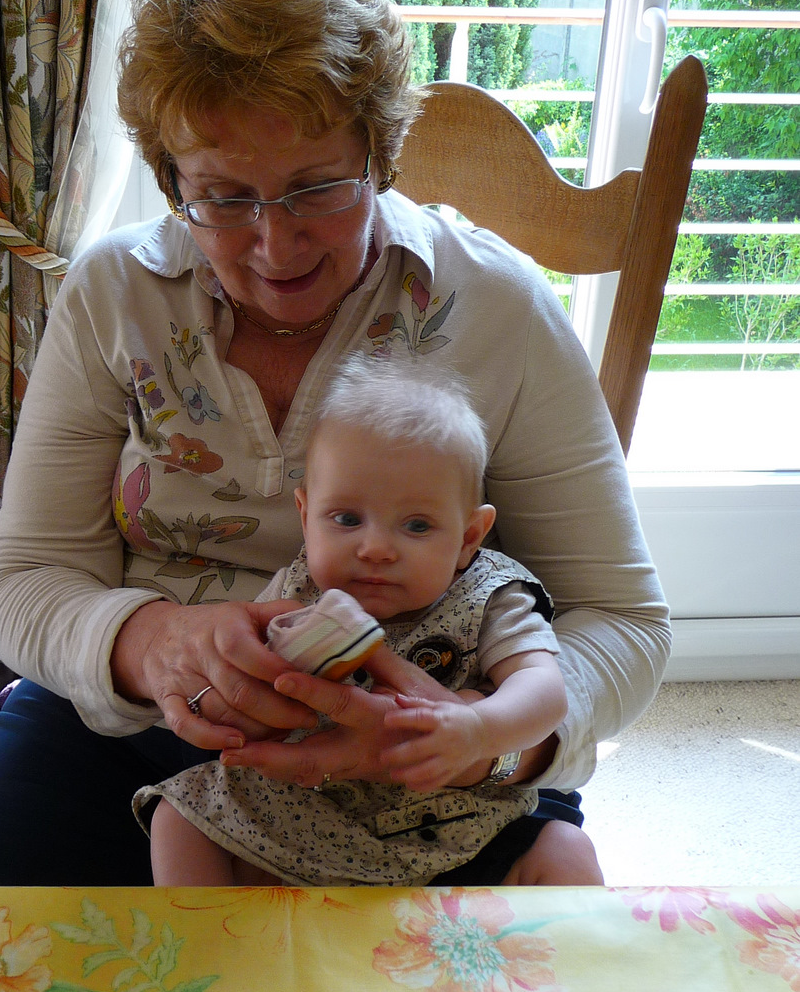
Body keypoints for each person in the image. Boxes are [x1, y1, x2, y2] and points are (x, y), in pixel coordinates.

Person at [0, 0, 669, 887]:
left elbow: (622, 619)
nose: (274, 245)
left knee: (499, 976)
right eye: (224, 197)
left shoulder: (497, 309)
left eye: (317, 188)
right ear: (169, 181)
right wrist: (153, 645)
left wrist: (484, 740)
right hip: (143, 726)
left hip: (429, 742)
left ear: (380, 156)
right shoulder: (115, 295)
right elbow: (26, 578)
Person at [139, 358, 603, 887]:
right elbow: (245, 681)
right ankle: (218, 941)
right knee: (176, 818)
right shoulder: (293, 594)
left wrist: (477, 732)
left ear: (469, 537)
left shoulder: (492, 595)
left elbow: (544, 691)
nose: (376, 548)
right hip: (309, 812)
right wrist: (243, 690)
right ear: (305, 516)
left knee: (566, 847)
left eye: (417, 525)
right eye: (347, 519)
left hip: (455, 819)